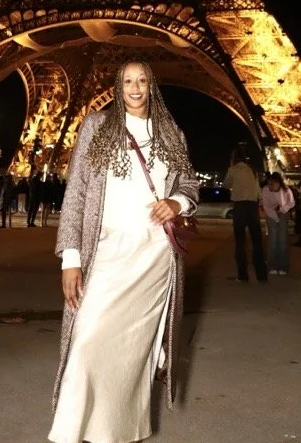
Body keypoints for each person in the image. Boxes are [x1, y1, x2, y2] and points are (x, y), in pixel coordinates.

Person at [48, 57, 199, 443]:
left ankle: (117, 432)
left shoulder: (172, 133)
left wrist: (177, 203)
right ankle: (73, 431)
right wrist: (70, 257)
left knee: (132, 356)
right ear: (118, 86)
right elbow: (76, 192)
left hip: (154, 258)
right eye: (128, 80)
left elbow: (189, 185)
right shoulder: (96, 126)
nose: (135, 88)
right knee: (86, 343)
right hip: (106, 253)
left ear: (152, 86)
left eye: (142, 80)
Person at [223, 144, 268, 283]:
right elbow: (258, 189)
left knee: (240, 241)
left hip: (240, 205)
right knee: (257, 240)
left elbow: (226, 184)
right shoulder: (252, 170)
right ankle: (261, 274)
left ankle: (242, 275)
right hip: (252, 205)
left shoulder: (233, 169)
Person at [261, 171, 295, 274]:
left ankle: (283, 266)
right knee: (272, 240)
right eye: (269, 183)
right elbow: (266, 206)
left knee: (282, 240)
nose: (270, 186)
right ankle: (272, 266)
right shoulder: (265, 190)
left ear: (279, 183)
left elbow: (291, 202)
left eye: (272, 184)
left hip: (283, 214)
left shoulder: (286, 190)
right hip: (271, 214)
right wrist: (274, 215)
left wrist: (282, 209)